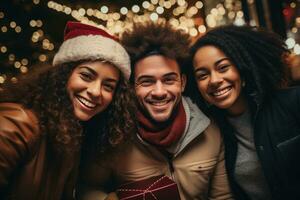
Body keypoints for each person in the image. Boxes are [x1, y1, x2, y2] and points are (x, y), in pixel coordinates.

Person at [78, 22, 233, 200]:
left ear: (182, 83)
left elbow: (223, 196)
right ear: (132, 87)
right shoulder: (113, 134)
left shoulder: (210, 130)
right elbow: (87, 187)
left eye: (168, 80)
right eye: (147, 81)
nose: (159, 92)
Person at [0, 21, 135, 200]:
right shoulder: (18, 124)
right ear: (62, 75)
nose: (95, 92)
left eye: (108, 86)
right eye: (86, 76)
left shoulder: (73, 132)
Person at [187, 25, 300, 200]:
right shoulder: (212, 133)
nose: (214, 80)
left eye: (223, 68)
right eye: (203, 75)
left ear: (241, 67)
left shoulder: (292, 103)